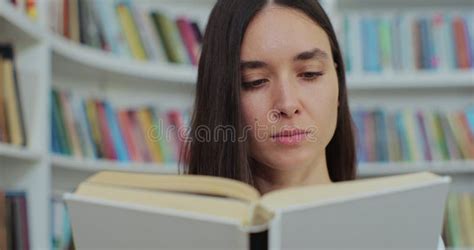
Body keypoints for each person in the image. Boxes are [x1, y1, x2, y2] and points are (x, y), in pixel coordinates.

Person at [181, 0, 444, 248]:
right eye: (255, 80)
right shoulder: (181, 234)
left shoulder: (409, 230)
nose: (286, 104)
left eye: (310, 74)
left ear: (338, 84)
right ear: (221, 98)